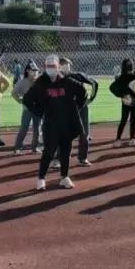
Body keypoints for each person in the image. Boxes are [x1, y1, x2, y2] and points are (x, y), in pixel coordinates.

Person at [23, 54, 87, 191]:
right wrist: (40, 112)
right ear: (45, 67)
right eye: (48, 66)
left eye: (53, 66)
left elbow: (82, 91)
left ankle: (64, 177)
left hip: (67, 123)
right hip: (50, 124)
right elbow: (27, 99)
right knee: (49, 151)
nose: (51, 68)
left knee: (66, 151)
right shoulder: (40, 83)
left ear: (58, 67)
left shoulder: (67, 81)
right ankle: (41, 178)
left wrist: (76, 107)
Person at [59, 57, 99, 166]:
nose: (65, 66)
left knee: (84, 133)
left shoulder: (78, 76)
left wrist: (91, 99)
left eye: (66, 64)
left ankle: (83, 158)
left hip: (81, 108)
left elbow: (94, 83)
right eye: (62, 64)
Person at [109, 59, 135, 147]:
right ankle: (125, 139)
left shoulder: (124, 77)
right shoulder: (134, 76)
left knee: (127, 120)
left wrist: (121, 95)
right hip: (131, 100)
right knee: (129, 120)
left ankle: (124, 139)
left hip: (130, 100)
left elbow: (112, 88)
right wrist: (121, 95)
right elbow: (112, 87)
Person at [12, 62, 41, 154]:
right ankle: (18, 147)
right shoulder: (22, 82)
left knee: (37, 128)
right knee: (24, 127)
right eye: (33, 70)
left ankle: (35, 147)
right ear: (28, 71)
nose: (35, 72)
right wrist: (19, 100)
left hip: (38, 109)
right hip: (27, 109)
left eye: (36, 71)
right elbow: (14, 93)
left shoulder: (40, 82)